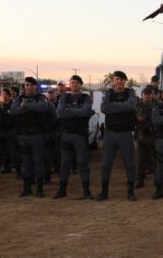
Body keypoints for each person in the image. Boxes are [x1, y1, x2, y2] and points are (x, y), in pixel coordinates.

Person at [99, 70, 138, 201]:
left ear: (125, 81)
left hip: (125, 134)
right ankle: (104, 192)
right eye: (117, 79)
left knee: (129, 164)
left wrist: (113, 107)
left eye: (122, 79)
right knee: (106, 164)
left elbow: (131, 105)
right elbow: (104, 108)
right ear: (113, 81)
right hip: (110, 134)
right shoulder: (108, 93)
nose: (119, 81)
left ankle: (130, 192)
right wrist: (122, 107)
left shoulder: (130, 93)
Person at [54, 75, 94, 199]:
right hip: (66, 134)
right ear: (69, 85)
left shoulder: (85, 97)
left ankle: (86, 191)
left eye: (77, 82)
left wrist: (69, 110)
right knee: (65, 163)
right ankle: (62, 190)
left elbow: (86, 112)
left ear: (81, 84)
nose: (74, 84)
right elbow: (59, 113)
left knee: (82, 163)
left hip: (79, 135)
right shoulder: (65, 97)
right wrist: (77, 110)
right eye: (72, 82)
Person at [11, 77, 50, 197]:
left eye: (30, 85)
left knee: (38, 162)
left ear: (35, 86)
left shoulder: (41, 98)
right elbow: (14, 111)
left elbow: (43, 108)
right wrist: (28, 108)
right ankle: (26, 188)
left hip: (37, 135)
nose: (28, 87)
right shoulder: (19, 98)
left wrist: (26, 106)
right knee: (25, 163)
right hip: (23, 135)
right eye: (26, 85)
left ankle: (39, 189)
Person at [134, 86, 156, 189]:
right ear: (142, 95)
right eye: (145, 94)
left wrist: (144, 119)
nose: (147, 96)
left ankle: (158, 181)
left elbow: (155, 119)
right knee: (140, 160)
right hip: (141, 136)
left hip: (153, 137)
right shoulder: (138, 106)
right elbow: (136, 119)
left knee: (154, 160)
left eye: (149, 94)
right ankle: (140, 180)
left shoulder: (156, 106)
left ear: (152, 95)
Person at [0, 88, 19, 175]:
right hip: (1, 131)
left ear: (9, 96)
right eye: (2, 94)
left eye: (6, 94)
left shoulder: (13, 106)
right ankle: (3, 168)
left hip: (11, 131)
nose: (4, 96)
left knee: (14, 152)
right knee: (0, 153)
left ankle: (18, 171)